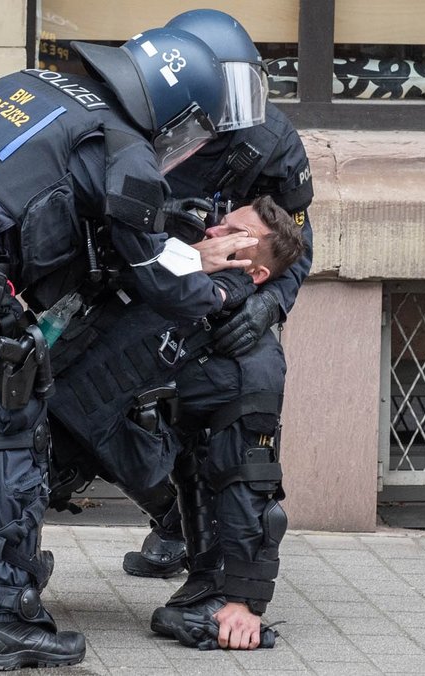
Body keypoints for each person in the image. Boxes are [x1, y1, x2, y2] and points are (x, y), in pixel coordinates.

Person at [0, 27, 251, 670]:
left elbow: (15, 188)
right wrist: (220, 295)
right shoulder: (126, 148)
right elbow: (151, 277)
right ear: (177, 112)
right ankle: (8, 617)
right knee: (13, 432)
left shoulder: (29, 86)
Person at [121, 8, 315, 585]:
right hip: (141, 284)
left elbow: (295, 239)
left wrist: (269, 304)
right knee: (116, 410)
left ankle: (220, 557)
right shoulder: (138, 124)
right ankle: (171, 517)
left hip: (227, 299)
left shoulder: (271, 140)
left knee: (237, 393)